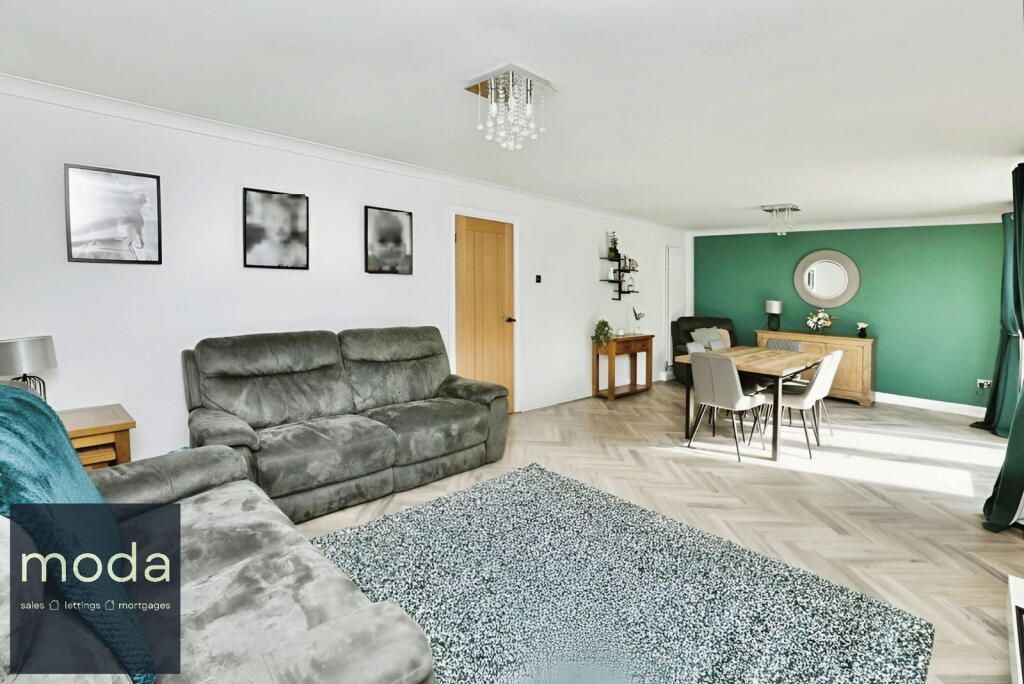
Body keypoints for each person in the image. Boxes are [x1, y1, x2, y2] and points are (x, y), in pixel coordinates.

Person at [247, 196, 307, 268]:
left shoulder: (297, 249)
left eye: (286, 221)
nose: (280, 226)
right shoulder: (258, 253)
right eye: (274, 220)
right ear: (264, 223)